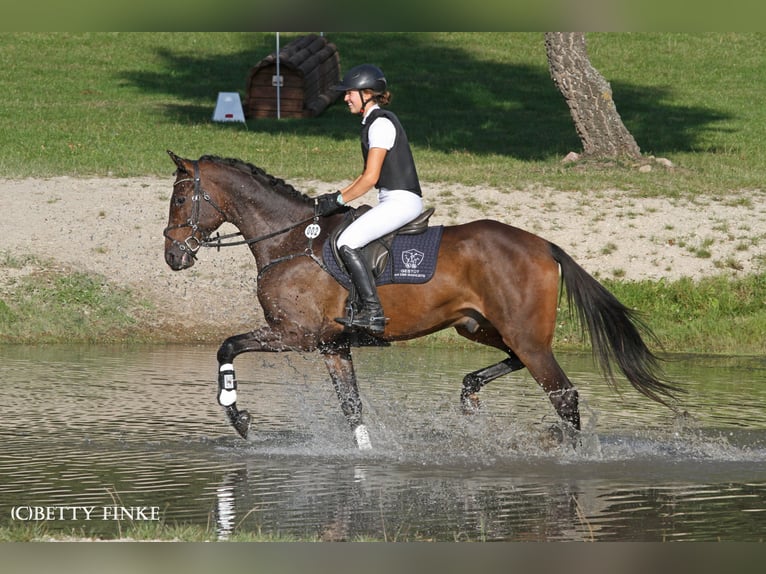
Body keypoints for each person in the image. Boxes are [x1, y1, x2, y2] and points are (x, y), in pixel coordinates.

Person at [315, 64, 423, 335]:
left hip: (401, 201)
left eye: (349, 93)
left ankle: (373, 313)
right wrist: (334, 196)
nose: (345, 98)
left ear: (366, 93)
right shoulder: (375, 122)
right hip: (393, 199)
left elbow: (370, 178)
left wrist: (339, 199)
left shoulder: (381, 124)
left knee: (346, 241)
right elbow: (364, 176)